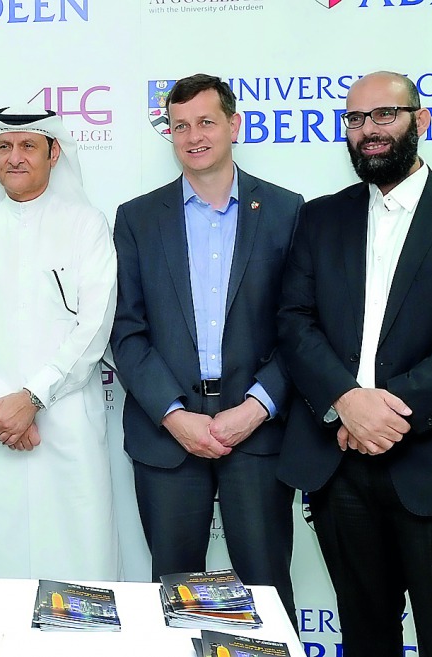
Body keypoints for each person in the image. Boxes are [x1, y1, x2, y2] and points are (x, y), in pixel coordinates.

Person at [278, 71, 432, 657]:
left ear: (421, 120)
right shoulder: (319, 218)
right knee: (365, 640)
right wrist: (347, 401)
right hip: (340, 470)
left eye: (383, 115)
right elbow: (293, 319)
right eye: (355, 120)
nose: (368, 132)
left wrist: (387, 411)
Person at [110, 74, 301, 622]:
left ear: (234, 125)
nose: (193, 135)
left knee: (266, 592)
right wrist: (173, 415)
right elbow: (126, 330)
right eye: (179, 125)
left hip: (258, 432)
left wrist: (257, 407)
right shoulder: (138, 218)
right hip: (167, 437)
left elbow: (302, 329)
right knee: (175, 596)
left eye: (206, 121)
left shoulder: (287, 212)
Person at [0, 105, 118, 581]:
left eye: (27, 146)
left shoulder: (87, 225)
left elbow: (94, 328)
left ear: (53, 153)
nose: (14, 157)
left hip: (67, 426)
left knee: (78, 570)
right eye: (4, 147)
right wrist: (6, 405)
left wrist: (34, 396)